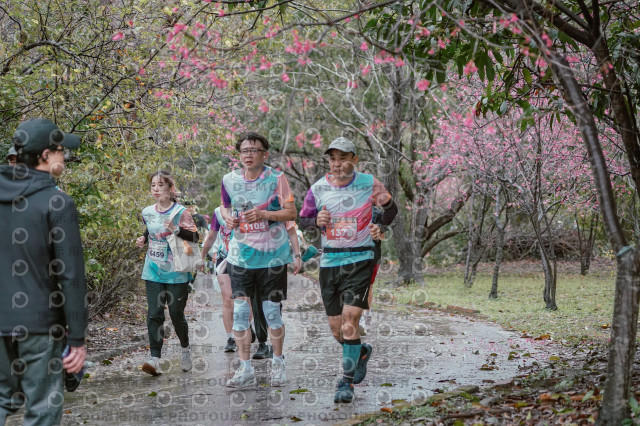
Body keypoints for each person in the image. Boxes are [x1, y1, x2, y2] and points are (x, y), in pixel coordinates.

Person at [0, 118, 87, 424]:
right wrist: (77, 338)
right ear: (45, 155)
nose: (65, 156)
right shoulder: (57, 202)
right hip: (39, 325)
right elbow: (71, 275)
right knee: (43, 408)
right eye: (61, 151)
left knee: (2, 399)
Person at [300, 137, 398, 403]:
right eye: (333, 159)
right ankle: (360, 352)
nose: (337, 164)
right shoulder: (318, 188)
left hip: (360, 259)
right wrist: (316, 220)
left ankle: (346, 383)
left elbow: (391, 209)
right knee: (337, 330)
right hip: (330, 262)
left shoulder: (369, 183)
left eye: (343, 158)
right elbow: (304, 219)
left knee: (350, 320)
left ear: (354, 160)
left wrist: (381, 226)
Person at [220, 132, 301, 388]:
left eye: (254, 150)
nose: (248, 155)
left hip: (272, 258)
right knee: (241, 313)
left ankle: (278, 362)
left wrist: (264, 214)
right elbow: (224, 206)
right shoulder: (229, 180)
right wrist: (228, 217)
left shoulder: (277, 179)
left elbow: (291, 212)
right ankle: (245, 369)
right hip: (240, 257)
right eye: (244, 150)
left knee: (272, 314)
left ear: (264, 154)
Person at [135, 170, 199, 376]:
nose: (156, 189)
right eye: (153, 185)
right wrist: (143, 238)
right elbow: (151, 228)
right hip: (152, 269)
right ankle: (155, 358)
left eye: (160, 185)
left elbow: (195, 238)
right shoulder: (147, 212)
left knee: (176, 314)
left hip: (176, 271)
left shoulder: (181, 212)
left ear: (171, 188)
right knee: (154, 313)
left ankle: (185, 350)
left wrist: (176, 229)